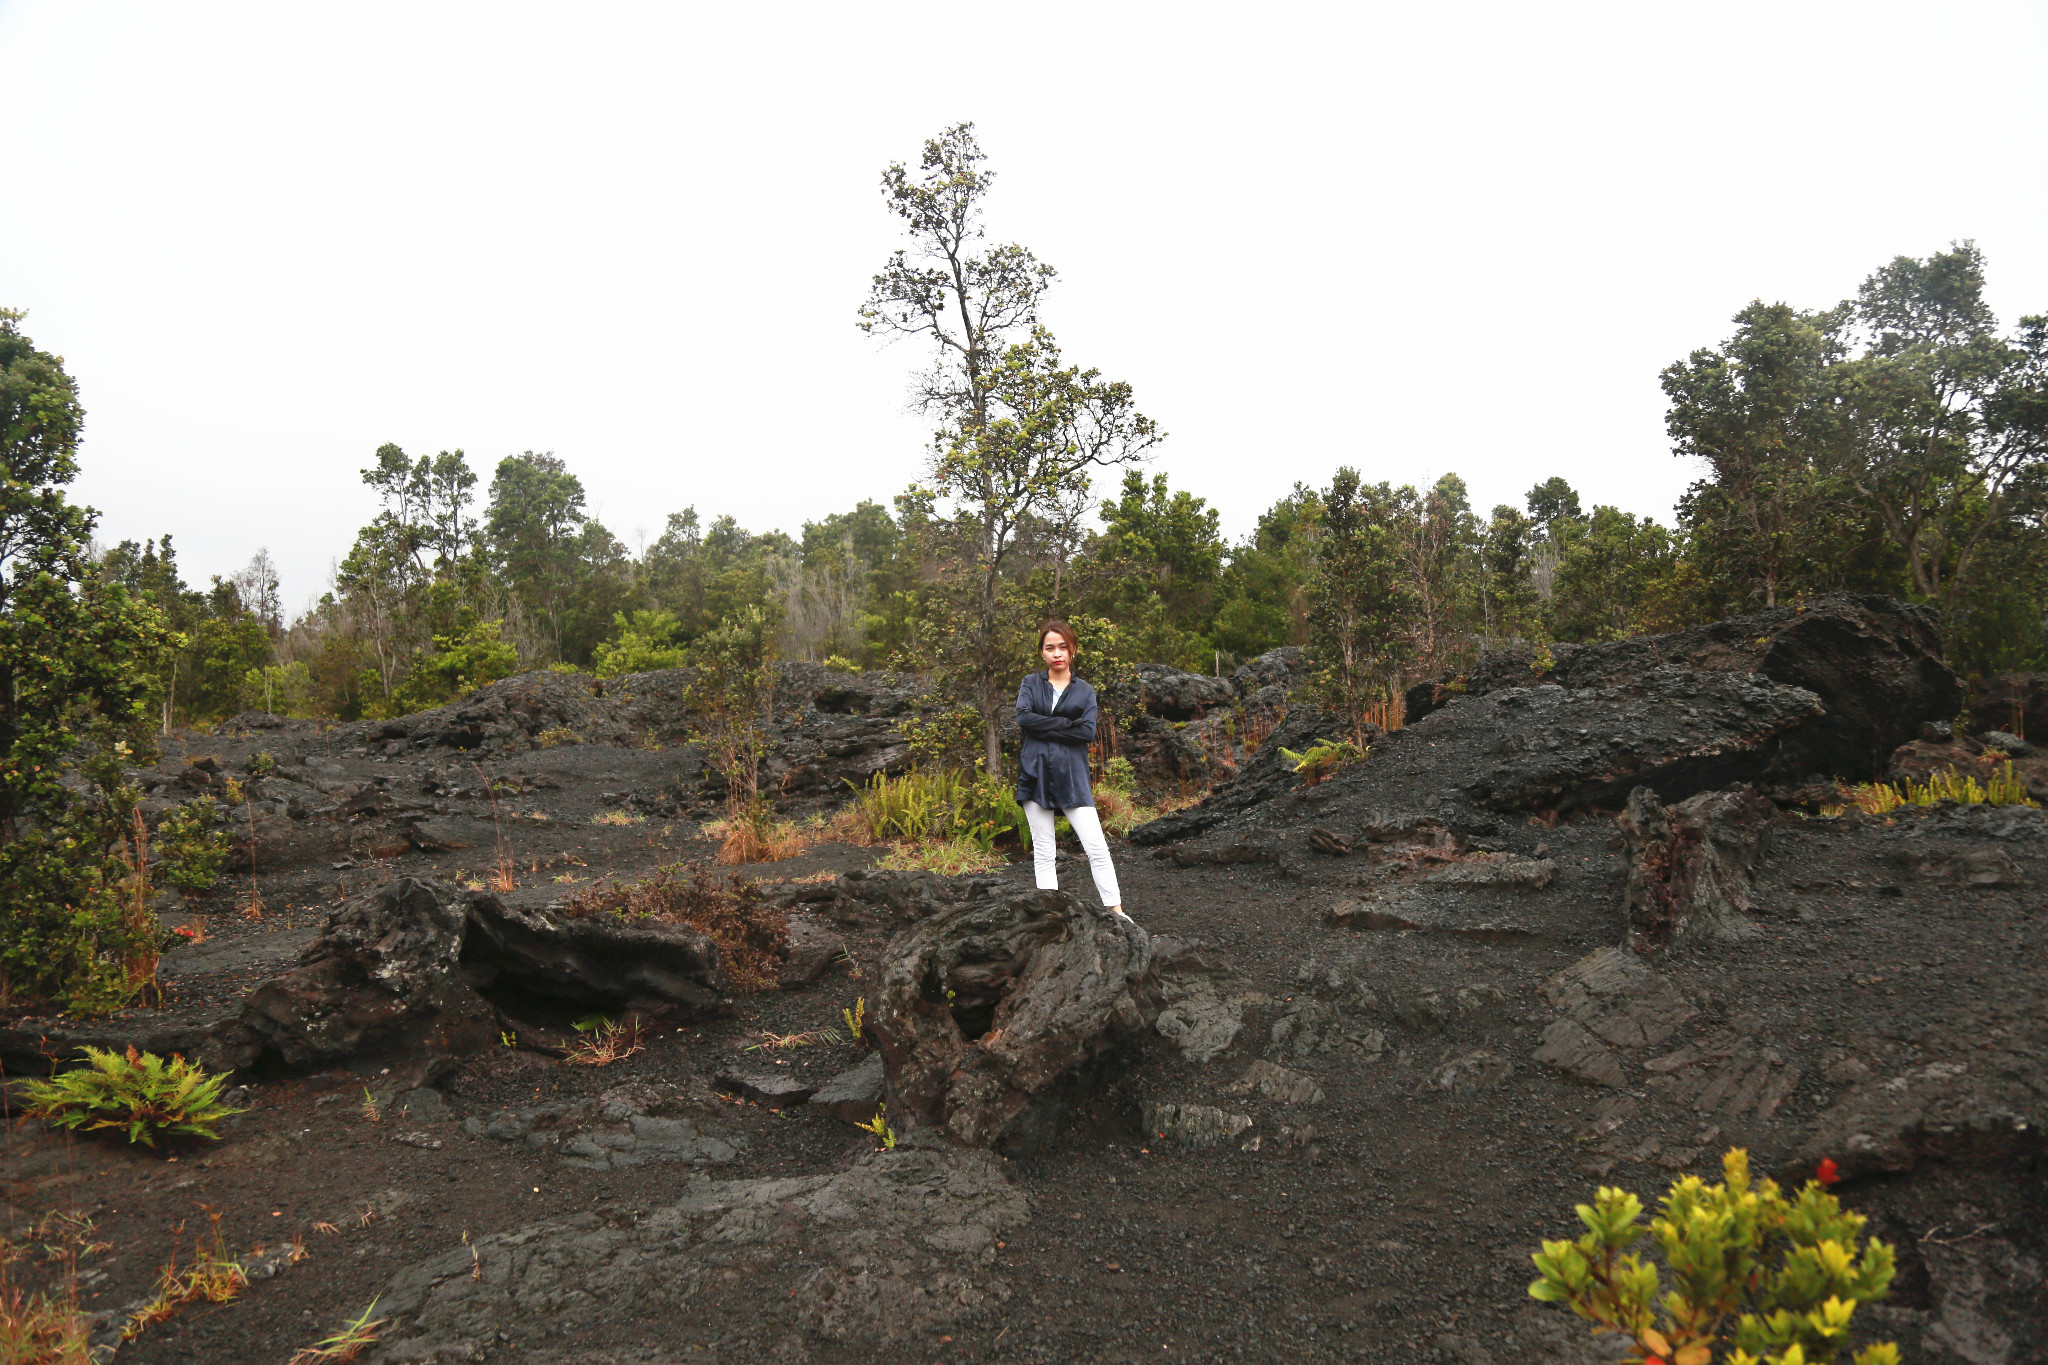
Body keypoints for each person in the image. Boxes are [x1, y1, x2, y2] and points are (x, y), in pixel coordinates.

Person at [1014, 619, 1133, 926]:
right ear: (1042, 652)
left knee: (1097, 847)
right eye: (1050, 647)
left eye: (1063, 647)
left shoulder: (1085, 691)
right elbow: (1025, 719)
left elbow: (1088, 732)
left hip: (1072, 776)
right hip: (1035, 772)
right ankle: (1048, 915)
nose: (1057, 653)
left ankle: (1116, 912)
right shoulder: (1030, 683)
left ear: (1073, 650)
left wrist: (1049, 726)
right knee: (1044, 850)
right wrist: (1069, 726)